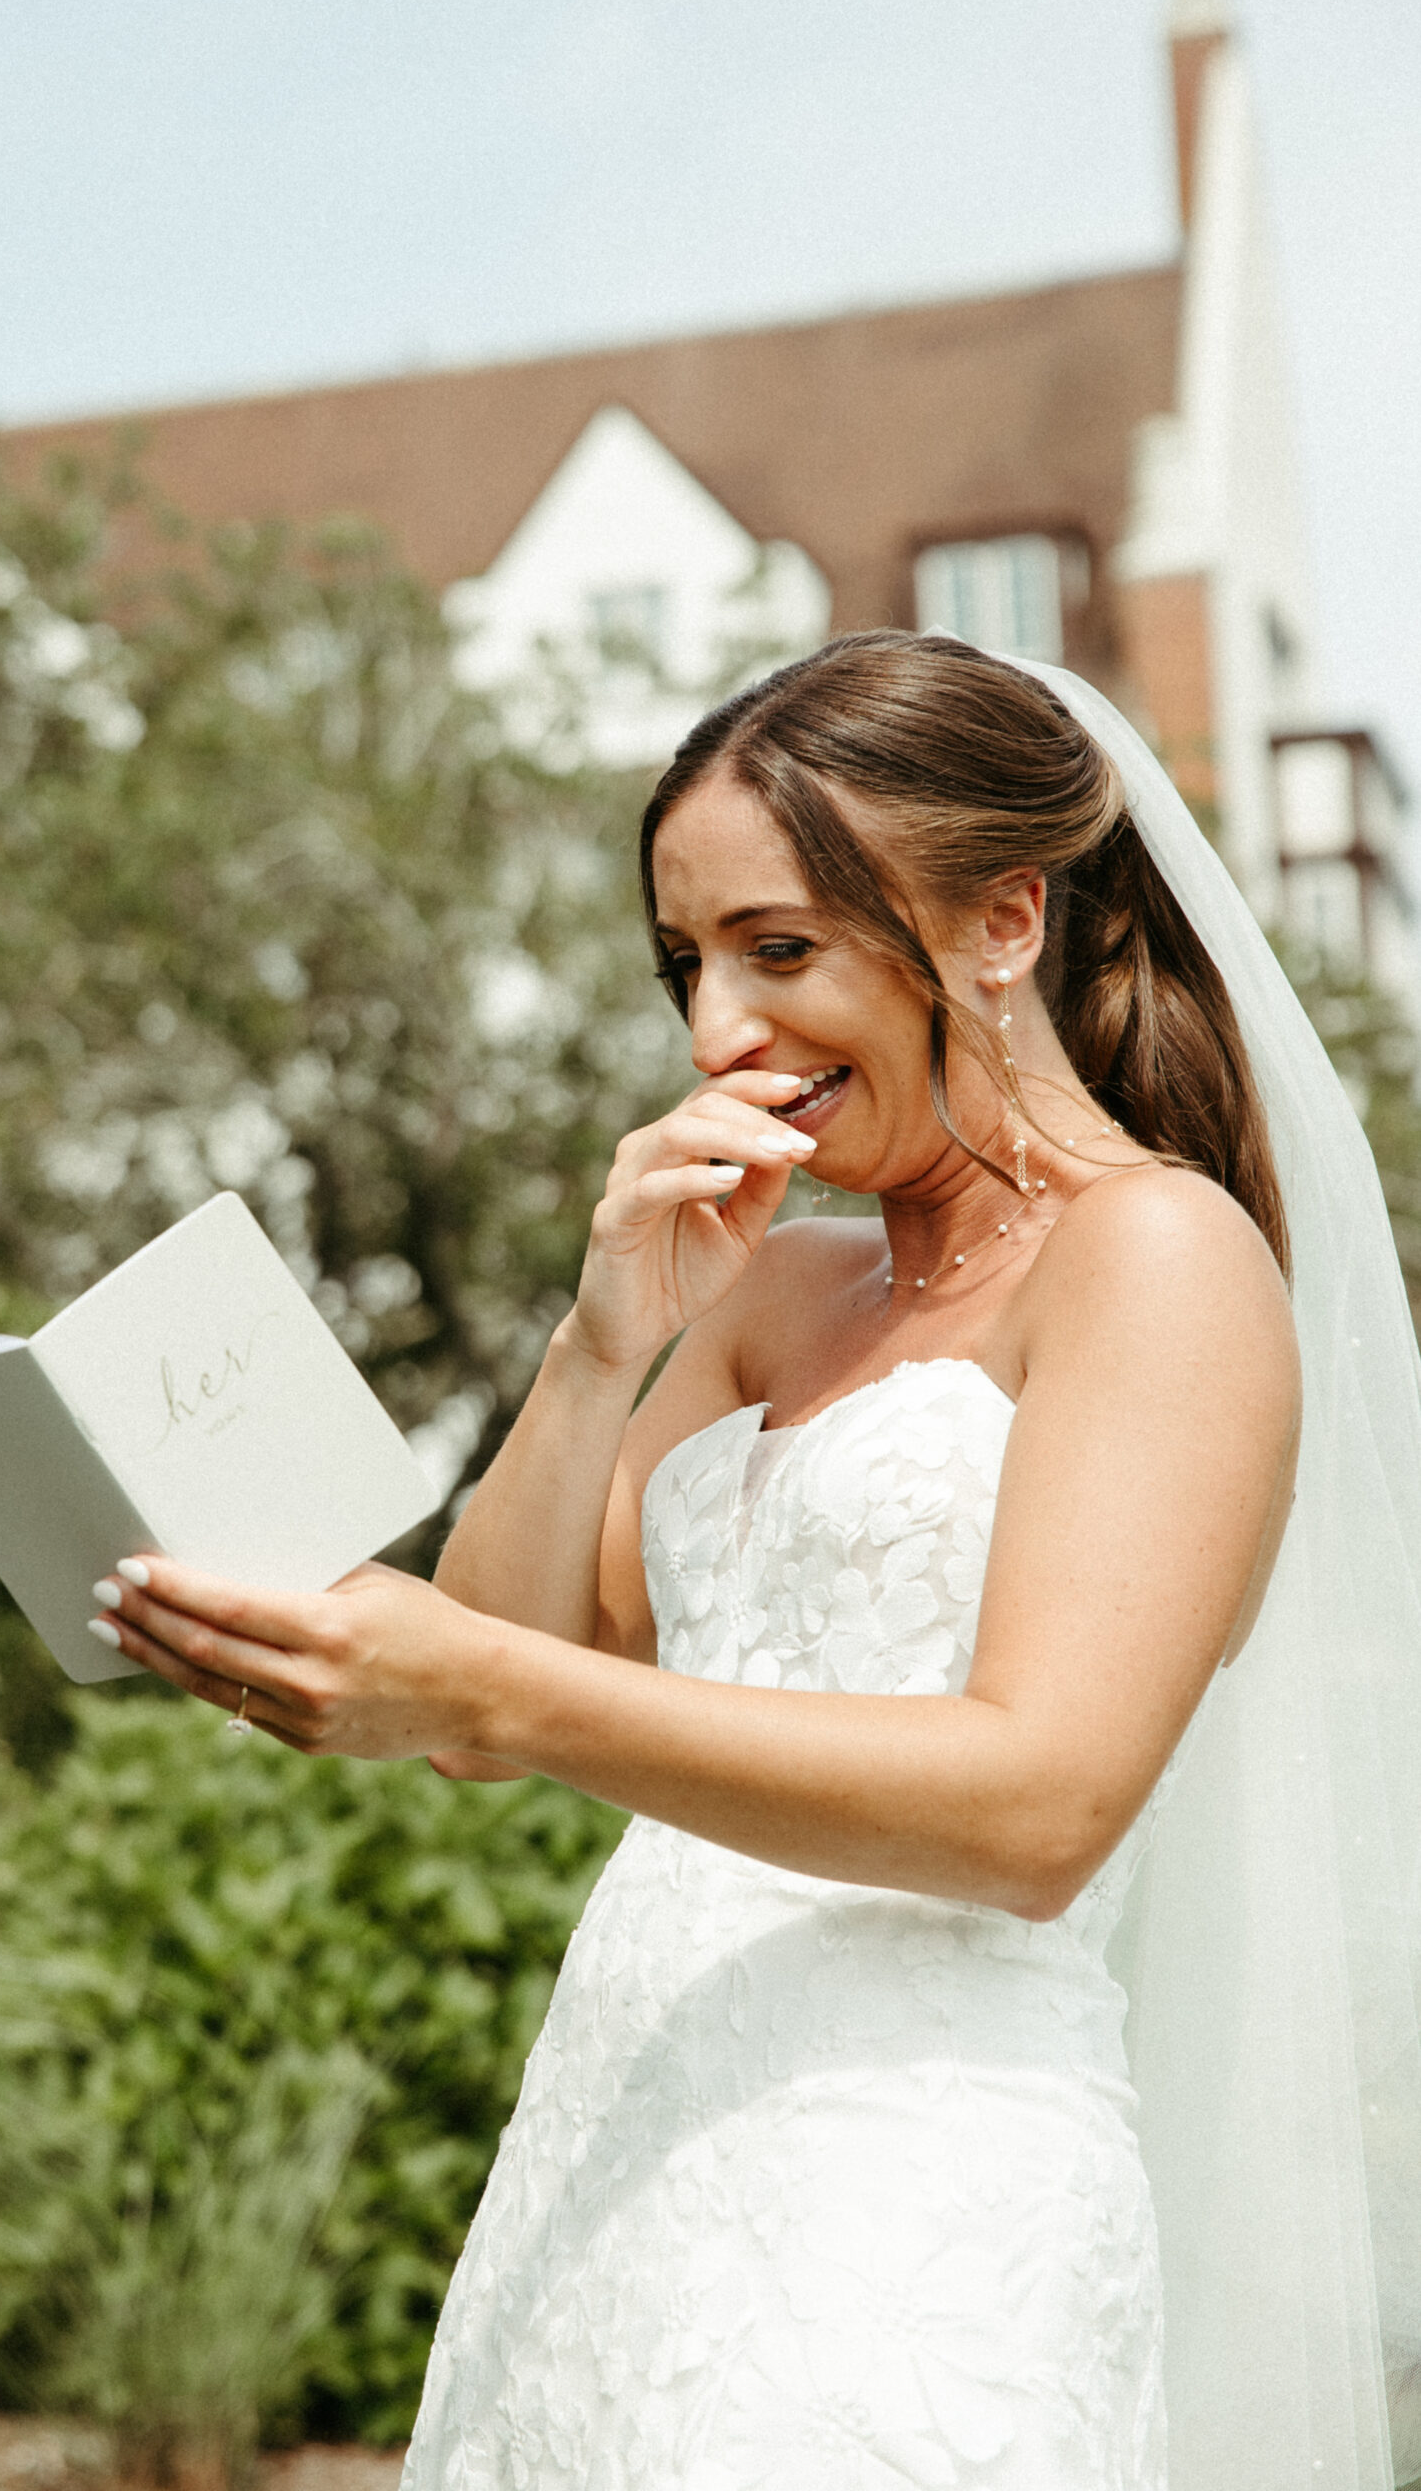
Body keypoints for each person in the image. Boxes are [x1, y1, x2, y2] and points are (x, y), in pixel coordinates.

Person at [89, 632, 1421, 2491]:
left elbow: (1041, 1807)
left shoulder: (1160, 1260)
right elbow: (493, 1691)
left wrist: (486, 1687)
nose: (718, 1031)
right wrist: (598, 1341)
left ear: (1004, 920)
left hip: (910, 2229)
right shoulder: (772, 1285)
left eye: (779, 949)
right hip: (618, 2178)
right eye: (687, 965)